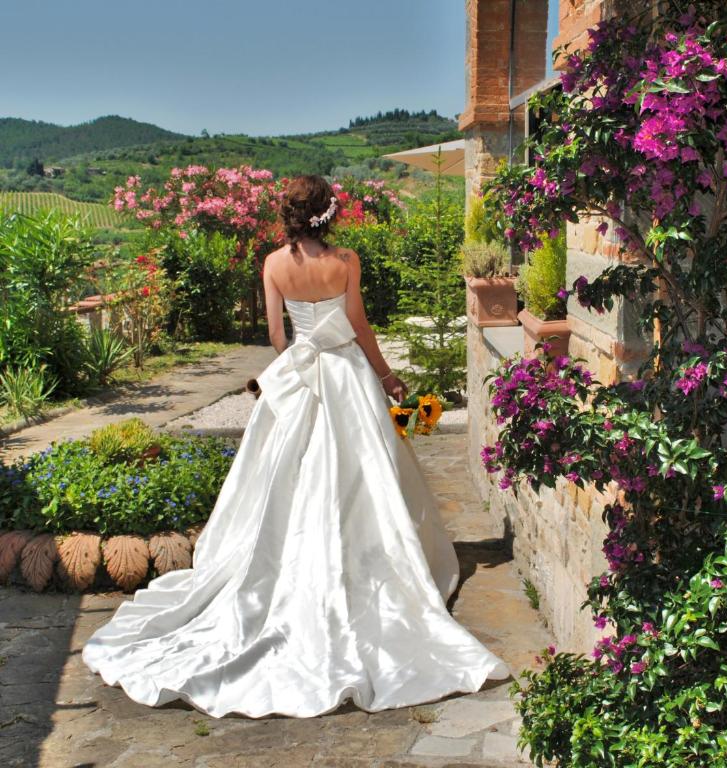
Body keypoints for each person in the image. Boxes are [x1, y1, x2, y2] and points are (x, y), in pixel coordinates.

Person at [82, 175, 510, 718]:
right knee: (363, 471)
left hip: (302, 372)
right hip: (347, 376)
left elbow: (276, 336)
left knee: (282, 476)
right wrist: (385, 376)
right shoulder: (347, 261)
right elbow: (358, 327)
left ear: (289, 215)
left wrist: (296, 365)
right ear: (328, 215)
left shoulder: (272, 264)